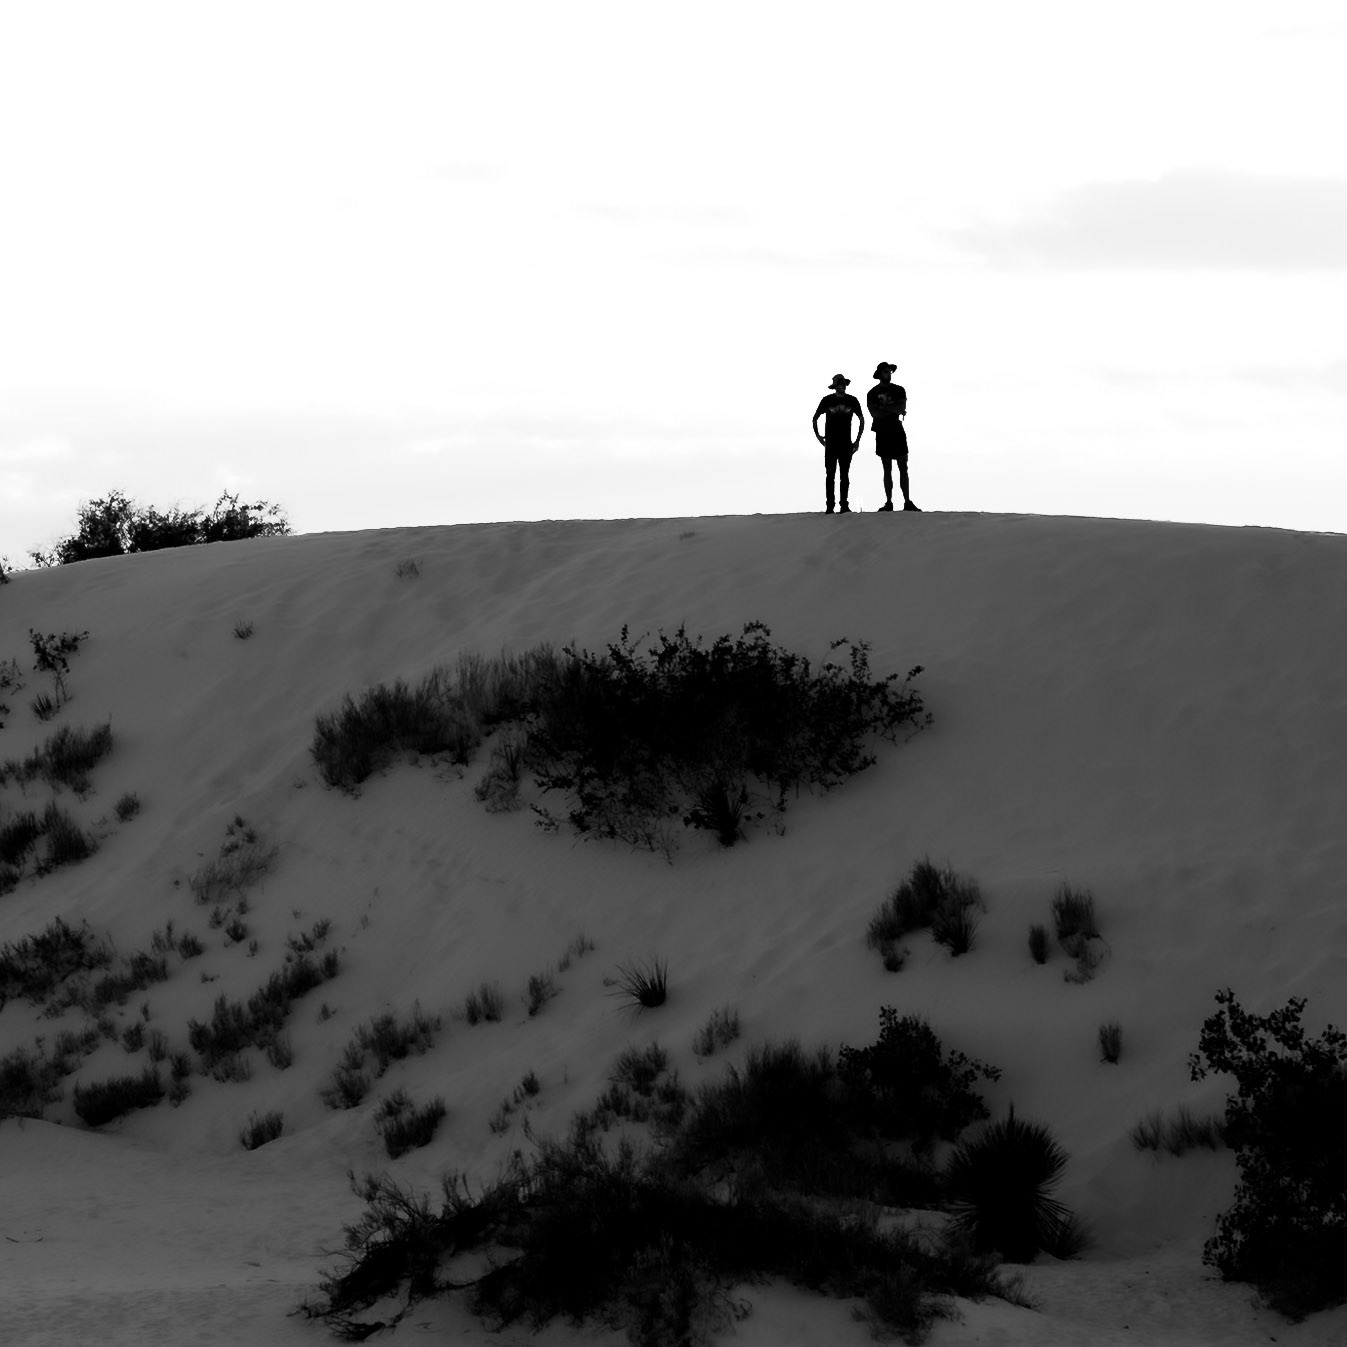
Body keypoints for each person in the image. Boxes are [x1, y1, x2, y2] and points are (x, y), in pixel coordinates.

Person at [866, 362, 919, 511]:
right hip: (882, 430)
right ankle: (889, 502)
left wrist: (883, 408)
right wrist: (892, 410)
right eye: (885, 371)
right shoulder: (872, 393)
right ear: (880, 374)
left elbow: (901, 408)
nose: (888, 374)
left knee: (903, 465)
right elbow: (874, 413)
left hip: (896, 429)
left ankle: (907, 501)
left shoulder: (899, 390)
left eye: (889, 371)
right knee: (886, 467)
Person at [812, 374, 865, 513]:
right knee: (830, 475)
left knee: (844, 476)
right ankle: (830, 506)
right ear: (835, 386)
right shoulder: (827, 400)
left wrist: (857, 440)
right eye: (840, 383)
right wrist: (818, 436)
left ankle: (844, 505)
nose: (843, 386)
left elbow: (862, 419)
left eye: (844, 383)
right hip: (831, 444)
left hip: (846, 443)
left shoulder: (852, 400)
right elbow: (815, 418)